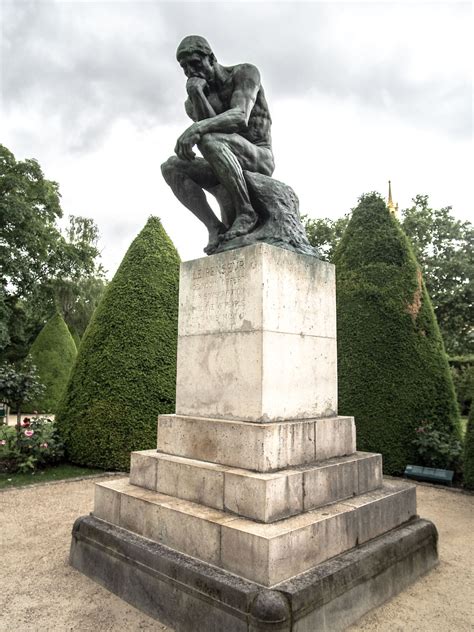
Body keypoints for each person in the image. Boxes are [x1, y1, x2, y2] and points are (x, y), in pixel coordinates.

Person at [161, 35, 275, 254]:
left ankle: (246, 211)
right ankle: (214, 228)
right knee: (171, 167)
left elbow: (240, 117)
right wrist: (196, 94)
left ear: (211, 58)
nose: (190, 71)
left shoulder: (244, 73)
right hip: (221, 156)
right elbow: (211, 128)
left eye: (194, 63)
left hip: (258, 156)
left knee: (207, 137)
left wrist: (197, 128)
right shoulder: (192, 100)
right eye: (184, 68)